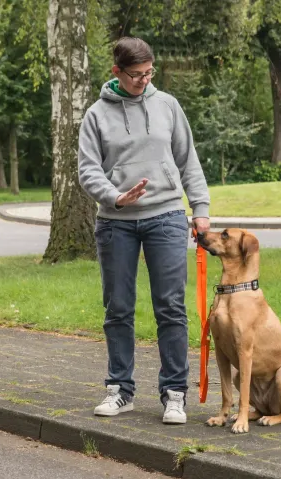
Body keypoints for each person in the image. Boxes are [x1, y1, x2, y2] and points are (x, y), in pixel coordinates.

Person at [77, 37, 210, 425]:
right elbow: (88, 170)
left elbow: (188, 161)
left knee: (170, 306)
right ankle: (120, 390)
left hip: (166, 216)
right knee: (117, 308)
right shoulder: (96, 115)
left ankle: (174, 393)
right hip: (116, 223)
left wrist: (200, 209)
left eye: (149, 73)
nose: (144, 80)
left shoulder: (167, 105)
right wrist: (116, 196)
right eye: (136, 75)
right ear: (116, 72)